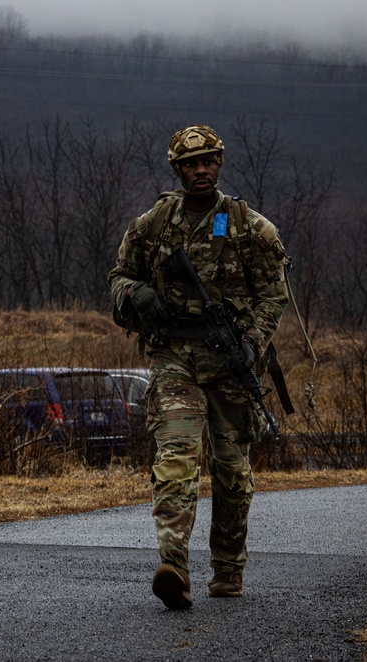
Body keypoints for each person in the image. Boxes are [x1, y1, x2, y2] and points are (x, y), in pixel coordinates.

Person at [108, 124, 290, 609]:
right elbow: (119, 278)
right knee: (175, 462)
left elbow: (274, 293)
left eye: (208, 160)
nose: (200, 169)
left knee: (232, 473)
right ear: (177, 169)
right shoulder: (152, 225)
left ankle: (228, 568)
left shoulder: (250, 227)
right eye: (190, 163)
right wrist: (137, 295)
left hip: (231, 362)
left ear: (220, 164)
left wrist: (252, 340)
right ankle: (174, 567)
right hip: (174, 359)